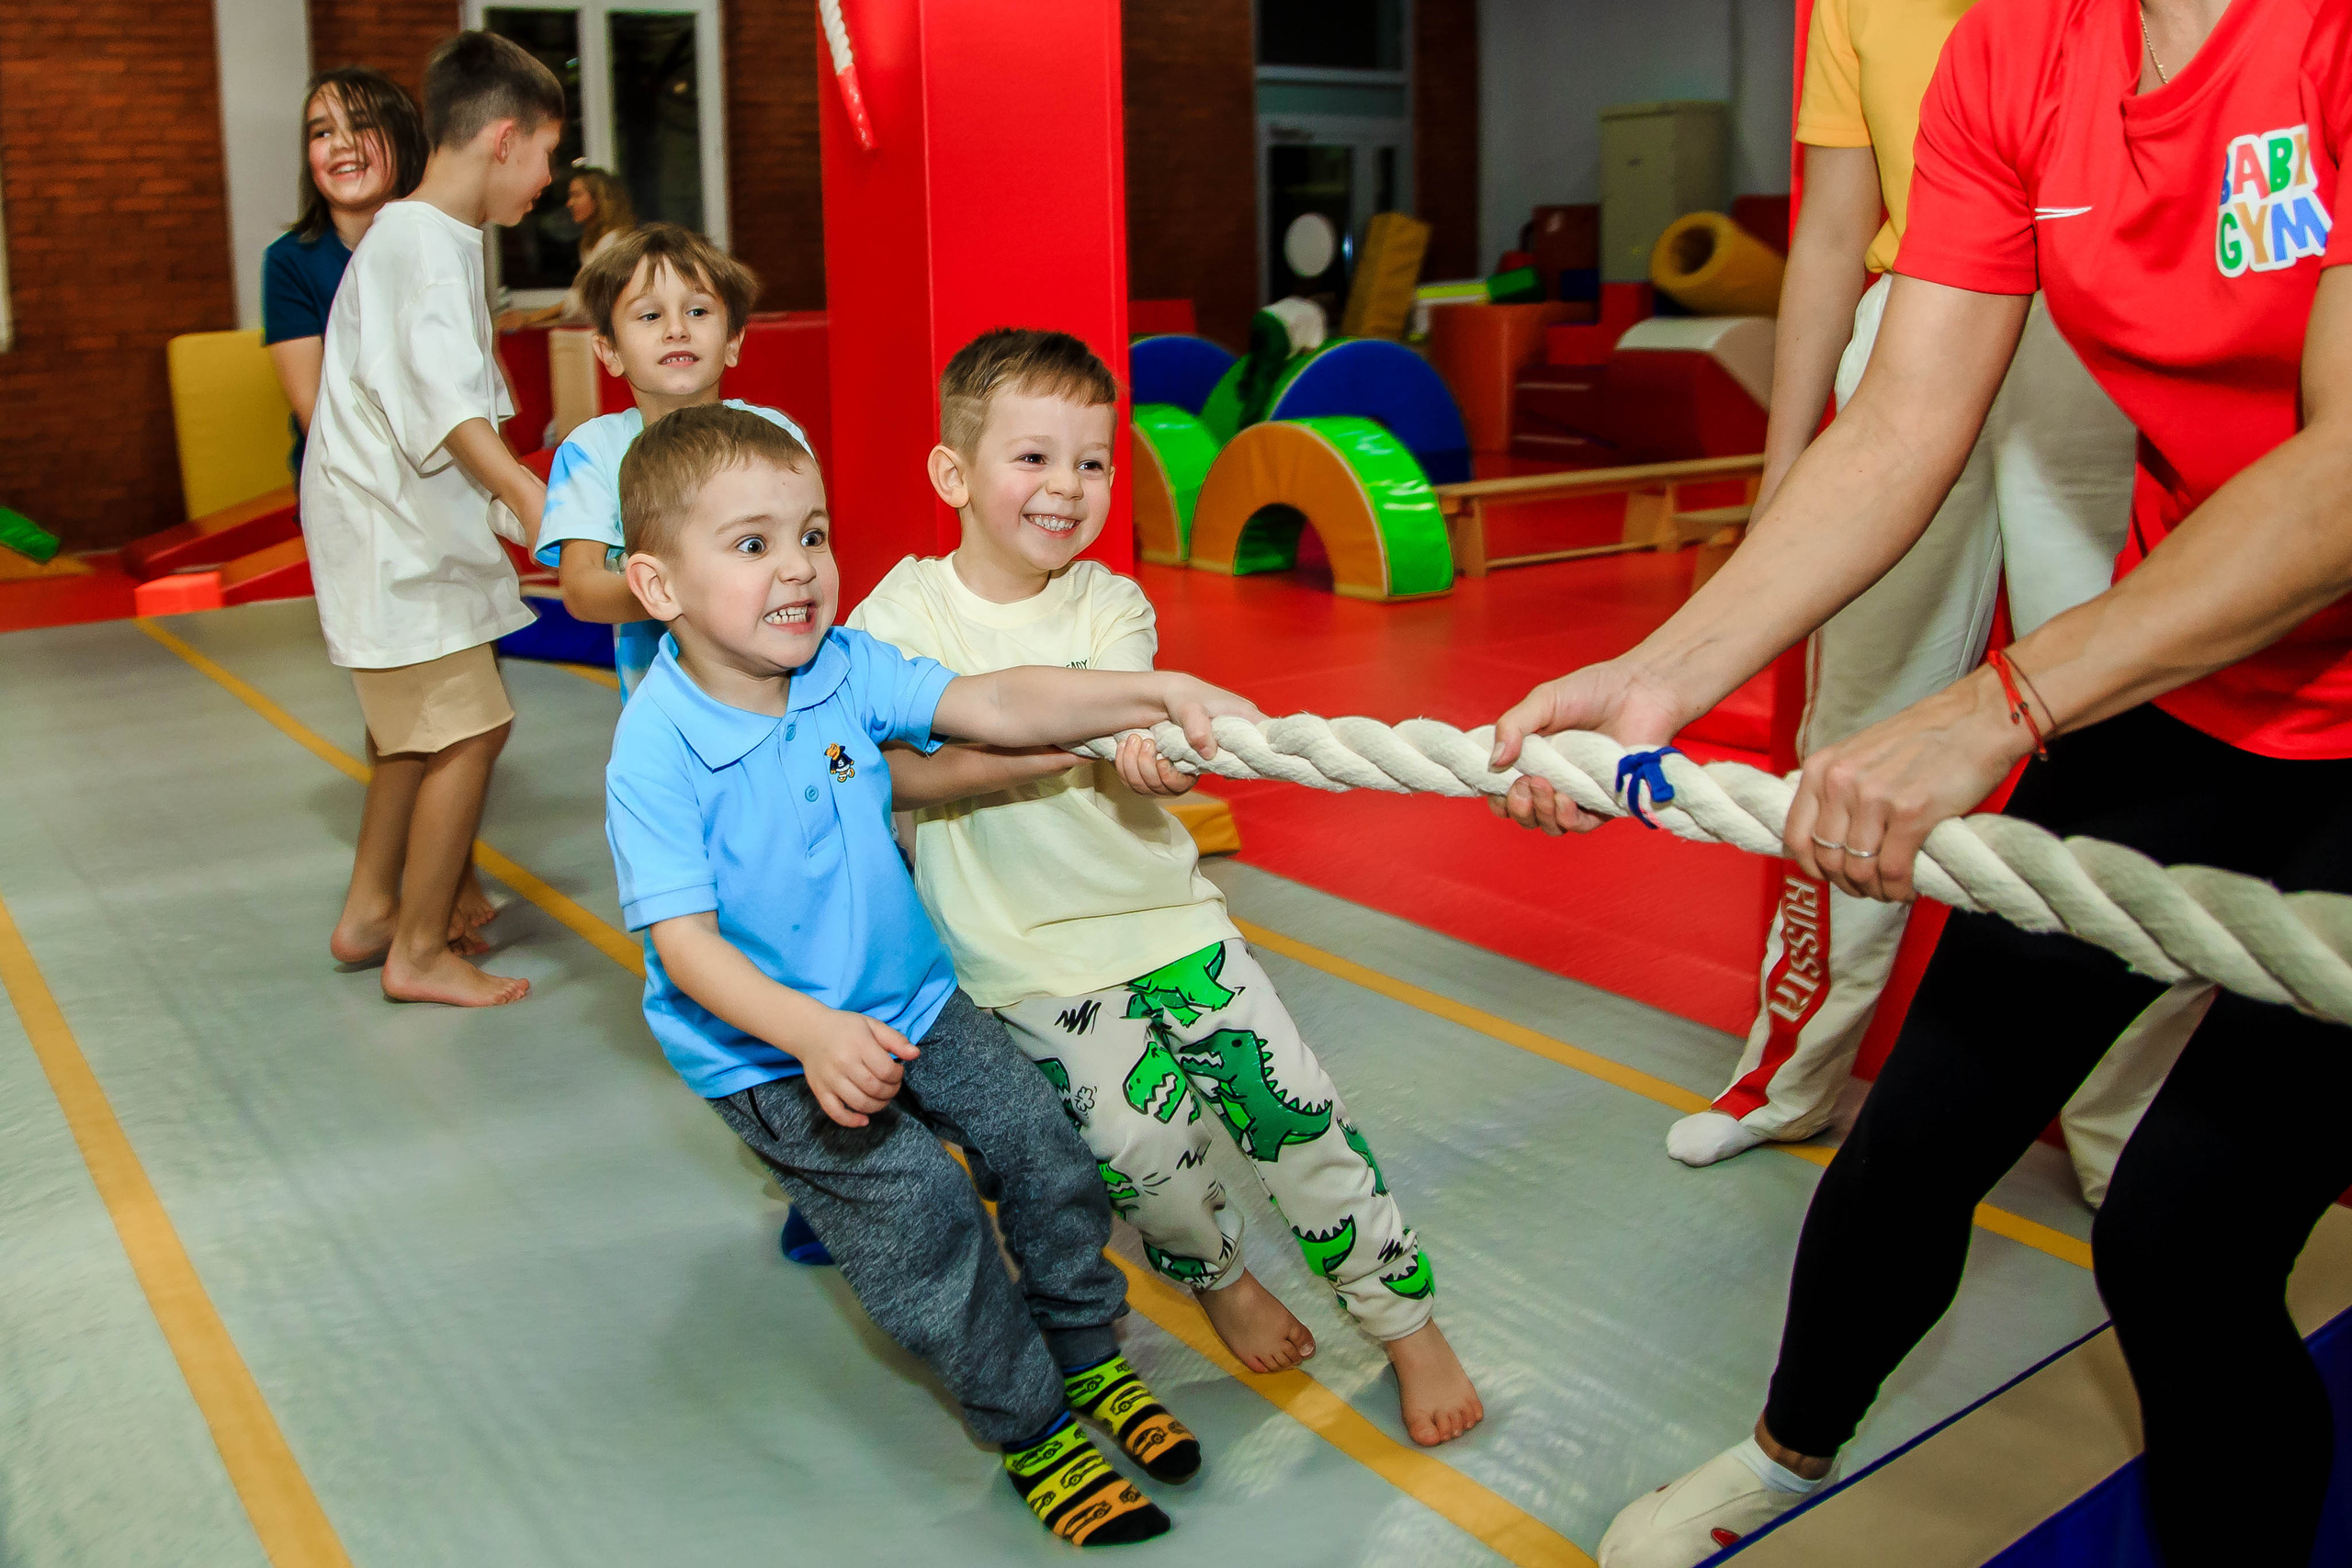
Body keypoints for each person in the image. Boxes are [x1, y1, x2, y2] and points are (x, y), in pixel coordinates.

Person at [1489, 0, 2352, 1560]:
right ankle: (1787, 1449)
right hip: (2187, 684)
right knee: (1920, 1133)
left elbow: (2346, 471)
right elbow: (1898, 423)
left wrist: (2001, 702)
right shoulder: (2016, 55)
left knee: (2178, 1247)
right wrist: (1669, 672)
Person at [605, 404, 1253, 1545]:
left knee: (1047, 1148)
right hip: (769, 1050)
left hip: (910, 994)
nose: (799, 568)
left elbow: (996, 701)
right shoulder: (656, 748)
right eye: (753, 545)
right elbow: (685, 948)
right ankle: (1028, 1424)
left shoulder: (841, 667)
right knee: (924, 1215)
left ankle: (1082, 1350)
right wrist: (807, 1034)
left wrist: (1151, 696)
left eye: (811, 533)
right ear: (659, 587)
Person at [845, 327, 1486, 1448]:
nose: (1067, 488)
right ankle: (1222, 1276)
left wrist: (1158, 755)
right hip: (1026, 954)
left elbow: (1137, 720)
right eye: (1032, 458)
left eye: (1092, 462)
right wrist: (1050, 746)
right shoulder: (897, 621)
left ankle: (1404, 1322)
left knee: (1298, 1123)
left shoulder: (1108, 605)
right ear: (954, 474)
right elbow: (881, 771)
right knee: (1147, 1161)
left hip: (1168, 921)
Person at [1663, 0, 2194, 1183]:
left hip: (2089, 335)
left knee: (2110, 745)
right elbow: (1830, 231)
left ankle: (2115, 1126)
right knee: (1847, 733)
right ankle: (1789, 1073)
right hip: (1913, 326)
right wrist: (1785, 458)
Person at [303, 31, 565, 1007]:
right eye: (544, 152)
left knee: (411, 736)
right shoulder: (418, 240)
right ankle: (415, 951)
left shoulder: (429, 241)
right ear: (503, 138)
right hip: (394, 543)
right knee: (471, 731)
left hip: (403, 536)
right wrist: (534, 504)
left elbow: (459, 406)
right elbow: (450, 412)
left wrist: (520, 498)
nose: (547, 177)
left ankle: (374, 908)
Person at [530, 222, 797, 700]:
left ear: (733, 341)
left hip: (779, 687)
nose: (677, 329)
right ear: (609, 351)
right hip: (667, 705)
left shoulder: (775, 436)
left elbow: (805, 551)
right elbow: (582, 588)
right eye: (650, 317)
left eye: (697, 311)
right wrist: (688, 592)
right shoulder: (595, 450)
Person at [498, 165, 636, 330]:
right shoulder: (592, 241)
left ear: (599, 199)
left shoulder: (612, 242)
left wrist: (529, 318)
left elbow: (582, 301)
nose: (569, 203)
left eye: (576, 195)